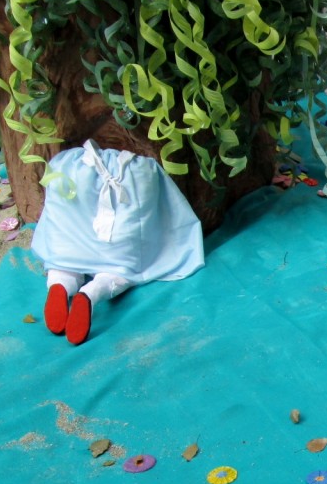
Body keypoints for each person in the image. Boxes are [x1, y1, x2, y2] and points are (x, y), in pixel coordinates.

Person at [31, 140, 205, 345]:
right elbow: (169, 215)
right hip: (122, 212)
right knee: (119, 270)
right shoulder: (140, 169)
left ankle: (60, 282)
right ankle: (91, 293)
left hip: (74, 211)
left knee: (65, 257)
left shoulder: (69, 162)